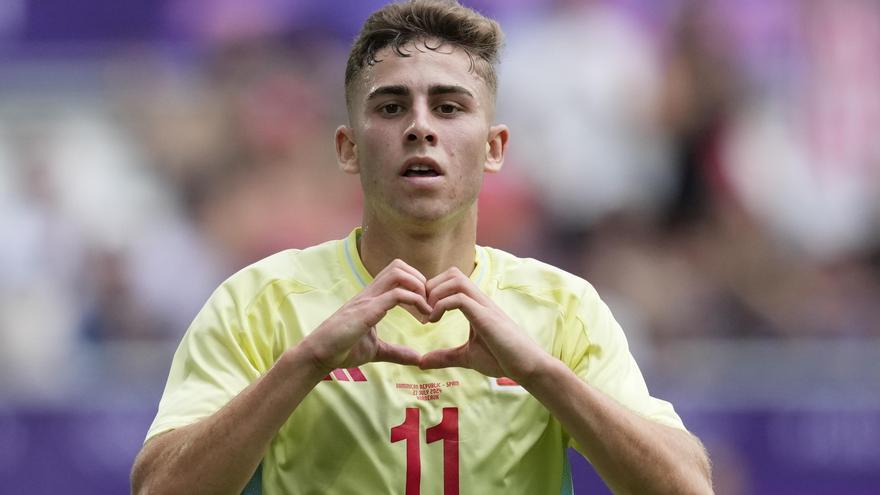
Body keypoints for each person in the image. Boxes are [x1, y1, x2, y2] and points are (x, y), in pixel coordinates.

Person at [131, 1, 713, 493]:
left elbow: (688, 485)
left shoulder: (563, 308)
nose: (420, 127)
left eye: (449, 106)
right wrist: (304, 364)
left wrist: (539, 370)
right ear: (348, 148)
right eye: (390, 107)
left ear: (494, 148)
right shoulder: (259, 301)